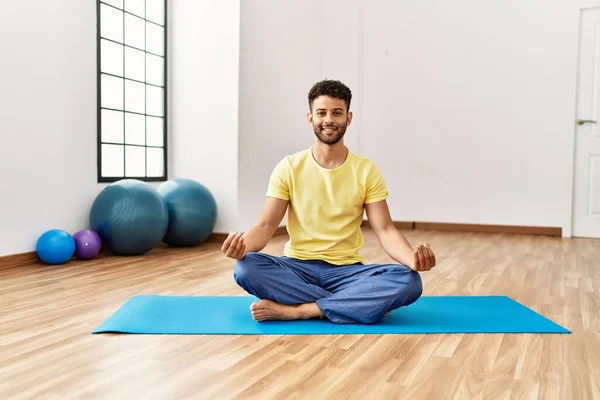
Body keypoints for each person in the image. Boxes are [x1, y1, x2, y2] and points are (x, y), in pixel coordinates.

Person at [222, 79, 437, 324]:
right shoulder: (289, 167)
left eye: (337, 113)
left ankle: (301, 310)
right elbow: (265, 227)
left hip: (347, 270)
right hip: (297, 267)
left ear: (349, 117)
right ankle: (356, 304)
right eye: (321, 113)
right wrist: (240, 247)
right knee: (245, 267)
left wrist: (412, 260)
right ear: (310, 117)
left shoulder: (366, 170)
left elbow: (385, 229)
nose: (329, 120)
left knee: (409, 281)